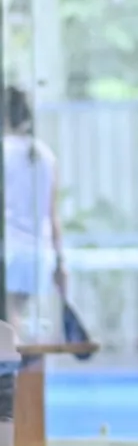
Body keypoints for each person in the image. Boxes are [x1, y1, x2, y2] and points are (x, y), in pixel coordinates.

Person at [3, 86, 66, 341]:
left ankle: (13, 362)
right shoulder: (46, 155)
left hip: (9, 250)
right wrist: (60, 260)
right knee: (17, 317)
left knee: (10, 318)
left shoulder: (4, 152)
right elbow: (53, 215)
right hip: (37, 252)